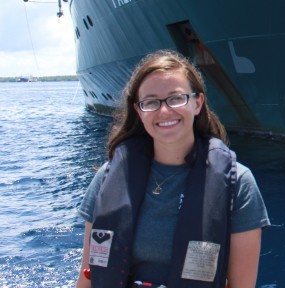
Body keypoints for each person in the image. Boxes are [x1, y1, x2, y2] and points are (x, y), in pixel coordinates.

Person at [76, 50, 269, 287]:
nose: (164, 111)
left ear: (197, 103)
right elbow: (86, 279)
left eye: (176, 98)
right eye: (151, 102)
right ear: (138, 110)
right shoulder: (106, 178)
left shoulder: (238, 183)